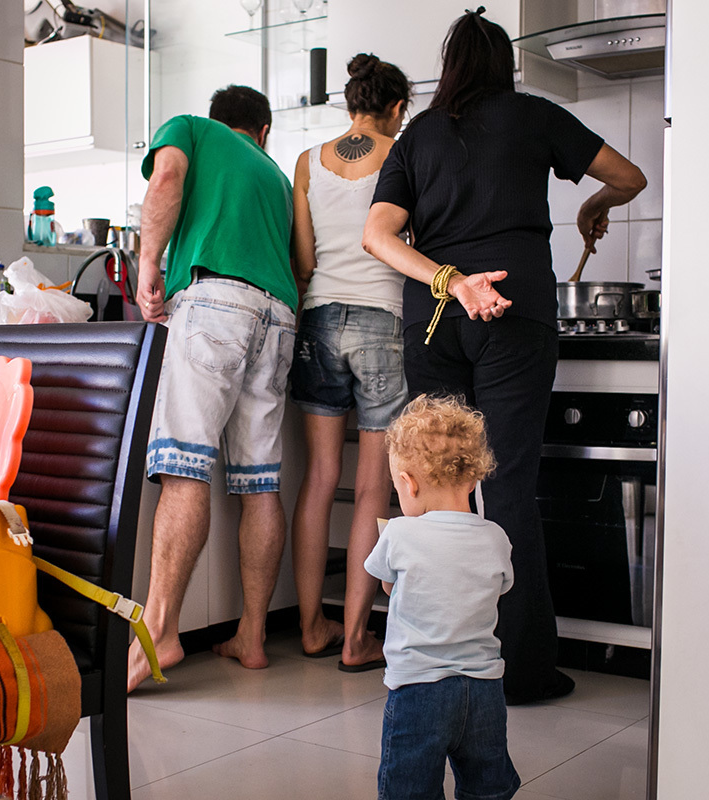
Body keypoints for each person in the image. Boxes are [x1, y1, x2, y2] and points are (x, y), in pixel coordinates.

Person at [362, 8, 646, 705]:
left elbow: (377, 235)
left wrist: (450, 282)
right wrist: (592, 206)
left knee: (429, 490)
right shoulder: (535, 116)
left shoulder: (419, 134)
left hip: (436, 318)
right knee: (509, 486)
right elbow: (631, 176)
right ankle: (521, 669)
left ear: (450, 65)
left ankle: (434, 661)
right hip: (514, 313)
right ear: (504, 67)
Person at [128, 85, 297, 690]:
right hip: (279, 316)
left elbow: (165, 178)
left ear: (219, 121)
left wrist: (148, 262)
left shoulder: (191, 127)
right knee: (259, 481)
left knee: (183, 464)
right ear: (263, 130)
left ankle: (160, 634)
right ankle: (252, 636)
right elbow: (300, 261)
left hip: (215, 302)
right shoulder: (277, 179)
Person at [288, 53, 412, 672]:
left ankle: (312, 627)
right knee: (372, 488)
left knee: (318, 478)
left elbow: (304, 260)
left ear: (350, 103)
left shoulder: (308, 162)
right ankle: (358, 637)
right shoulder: (400, 154)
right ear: (396, 108)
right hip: (382, 322)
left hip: (316, 320)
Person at [365, 394, 519, 800]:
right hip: (484, 689)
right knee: (487, 784)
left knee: (409, 787)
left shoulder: (399, 533)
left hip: (419, 688)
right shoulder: (495, 537)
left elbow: (387, 586)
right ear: (473, 479)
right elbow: (499, 588)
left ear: (407, 482)